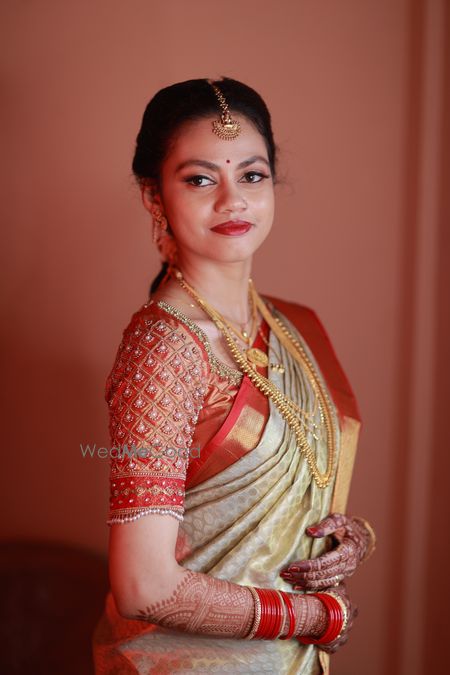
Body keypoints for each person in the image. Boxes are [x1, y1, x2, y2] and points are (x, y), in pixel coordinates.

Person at [92, 77, 376, 674]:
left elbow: (295, 496)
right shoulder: (163, 349)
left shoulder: (292, 327)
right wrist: (313, 616)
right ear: (153, 195)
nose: (233, 200)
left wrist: (347, 539)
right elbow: (144, 584)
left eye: (251, 175)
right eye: (200, 179)